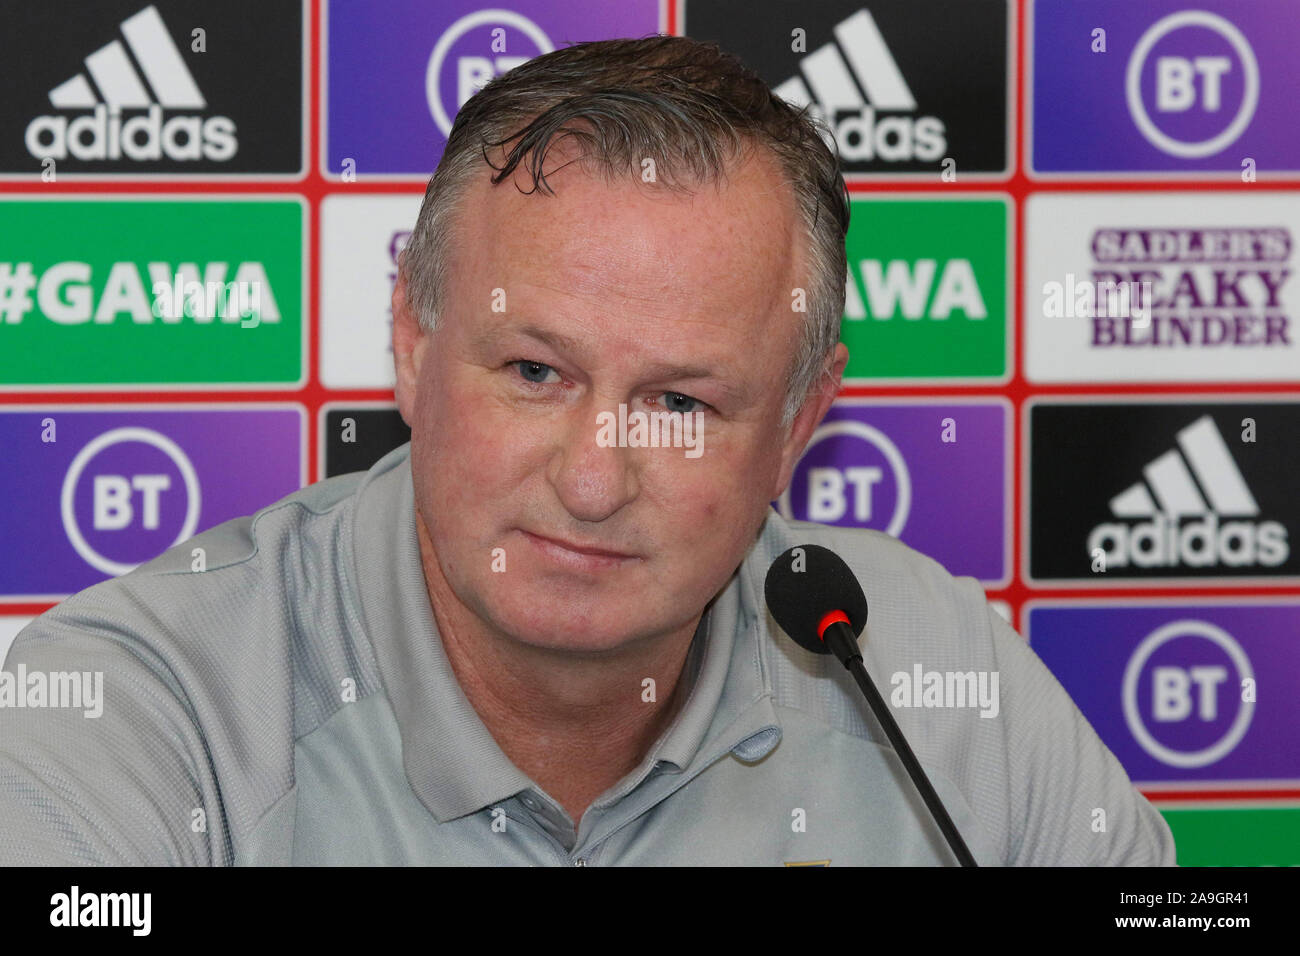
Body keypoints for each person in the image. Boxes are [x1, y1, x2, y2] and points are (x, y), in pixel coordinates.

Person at [0, 35, 1175, 865]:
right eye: (533, 373)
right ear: (411, 339)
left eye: (679, 403)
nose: (593, 479)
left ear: (801, 420)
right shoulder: (137, 714)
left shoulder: (933, 677)